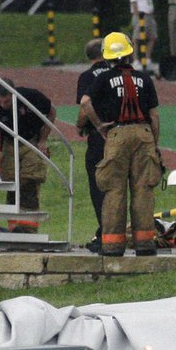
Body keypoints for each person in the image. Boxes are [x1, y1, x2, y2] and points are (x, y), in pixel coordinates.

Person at [80, 31, 163, 257]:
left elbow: (85, 102)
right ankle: (145, 243)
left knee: (114, 190)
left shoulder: (103, 79)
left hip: (116, 134)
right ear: (129, 54)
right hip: (143, 134)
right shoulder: (144, 79)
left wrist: (98, 125)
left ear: (107, 56)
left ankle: (113, 245)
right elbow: (154, 116)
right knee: (143, 190)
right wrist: (154, 144)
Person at [0, 78, 55, 232]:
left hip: (31, 140)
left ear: (14, 94)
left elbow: (51, 111)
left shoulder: (30, 97)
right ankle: (14, 226)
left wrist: (43, 139)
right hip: (9, 144)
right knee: (10, 182)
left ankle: (29, 227)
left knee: (30, 180)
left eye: (7, 101)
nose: (3, 105)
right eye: (0, 101)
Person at [76, 38, 112, 251]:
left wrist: (82, 126)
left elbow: (84, 107)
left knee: (98, 186)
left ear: (89, 56)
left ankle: (106, 231)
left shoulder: (88, 77)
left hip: (100, 137)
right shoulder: (118, 73)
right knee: (118, 187)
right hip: (122, 133)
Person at [128, 0, 157, 66]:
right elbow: (134, 2)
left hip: (149, 15)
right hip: (140, 16)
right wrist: (137, 16)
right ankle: (135, 60)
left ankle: (147, 58)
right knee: (137, 38)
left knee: (152, 36)